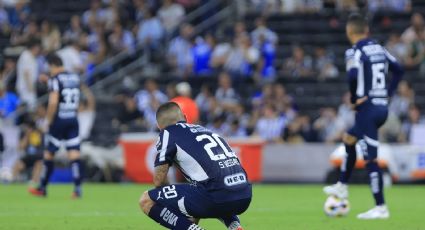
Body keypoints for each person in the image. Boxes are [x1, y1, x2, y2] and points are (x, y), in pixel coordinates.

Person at [323, 14, 403, 219]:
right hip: (381, 107)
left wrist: (354, 97)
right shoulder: (379, 48)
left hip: (367, 110)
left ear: (349, 32)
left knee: (370, 160)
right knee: (349, 139)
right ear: (366, 31)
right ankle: (341, 185)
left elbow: (352, 75)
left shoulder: (354, 51)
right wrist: (388, 93)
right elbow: (399, 69)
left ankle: (381, 207)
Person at [139, 102, 251, 230]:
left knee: (146, 200)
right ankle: (234, 225)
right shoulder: (207, 131)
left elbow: (158, 179)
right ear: (185, 118)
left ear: (159, 126)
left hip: (215, 195)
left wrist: (171, 198)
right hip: (244, 194)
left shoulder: (168, 133)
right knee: (202, 191)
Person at [29, 54, 85, 198]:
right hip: (73, 118)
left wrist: (47, 121)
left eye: (49, 68)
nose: (49, 71)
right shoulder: (74, 77)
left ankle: (42, 187)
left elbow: (53, 102)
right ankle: (77, 189)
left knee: (49, 153)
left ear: (53, 65)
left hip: (59, 120)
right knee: (74, 153)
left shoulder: (54, 79)